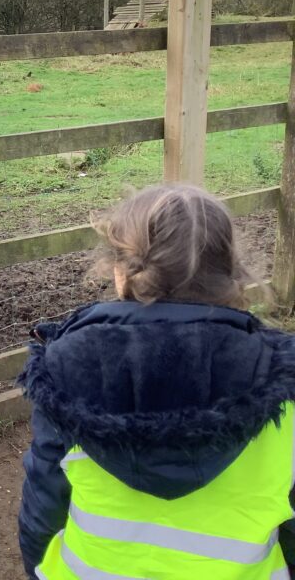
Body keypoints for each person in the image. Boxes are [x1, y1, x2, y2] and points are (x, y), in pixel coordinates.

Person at [18, 183, 295, 580]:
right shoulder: (280, 374)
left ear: (120, 271)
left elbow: (43, 506)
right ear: (231, 272)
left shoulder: (66, 368)